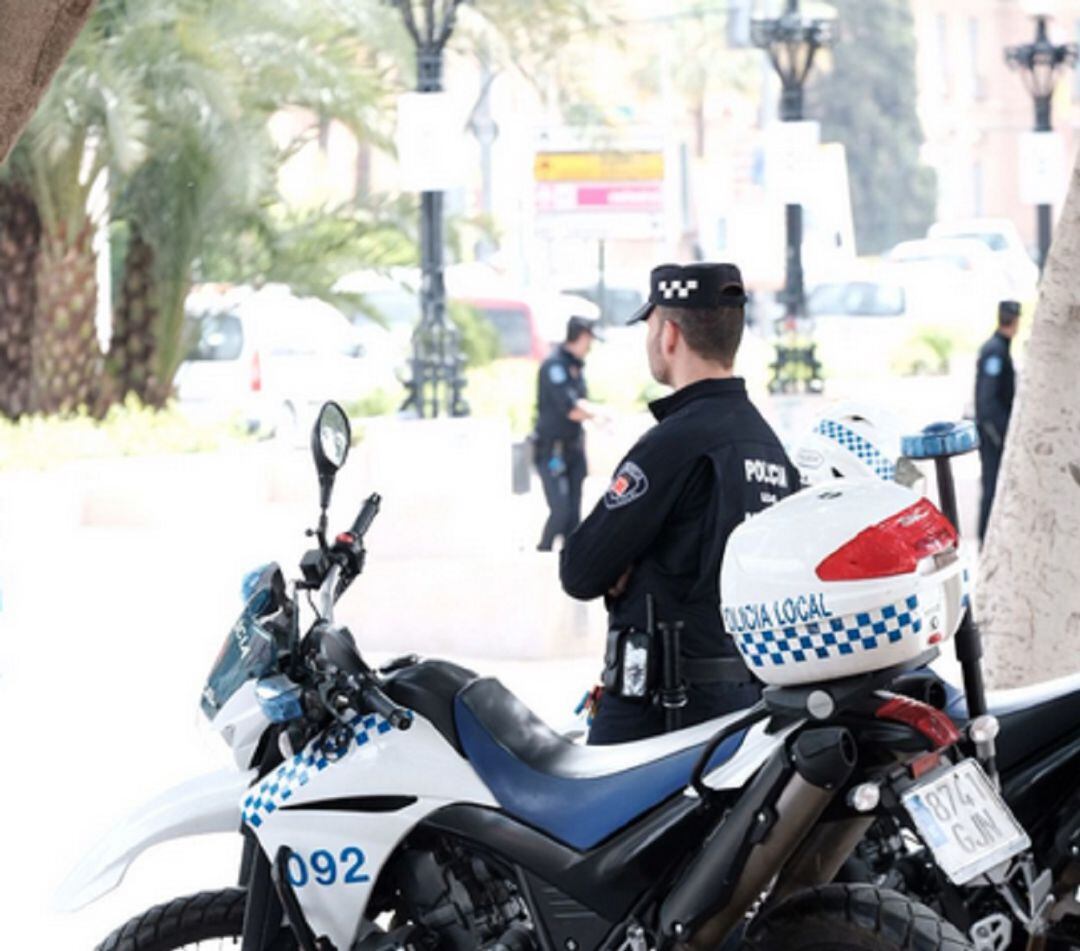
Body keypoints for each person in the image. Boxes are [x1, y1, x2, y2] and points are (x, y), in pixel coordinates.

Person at [560, 263, 800, 744]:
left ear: (669, 335)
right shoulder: (770, 446)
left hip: (657, 716)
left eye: (650, 326)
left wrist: (627, 565)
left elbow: (581, 570)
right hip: (745, 707)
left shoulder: (672, 444)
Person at [533, 316, 603, 552]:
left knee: (573, 517)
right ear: (582, 337)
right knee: (560, 511)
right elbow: (571, 408)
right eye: (589, 340)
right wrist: (600, 414)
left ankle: (569, 563)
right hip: (552, 450)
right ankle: (542, 552)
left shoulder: (575, 366)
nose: (591, 347)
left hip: (573, 449)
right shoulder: (554, 366)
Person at [975, 300, 1020, 542]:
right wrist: (1000, 434)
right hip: (992, 432)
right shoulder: (996, 351)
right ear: (1016, 321)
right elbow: (988, 400)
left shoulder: (999, 348)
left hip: (993, 430)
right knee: (992, 487)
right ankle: (987, 540)